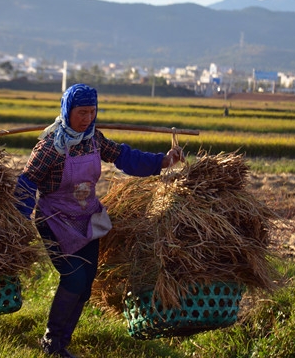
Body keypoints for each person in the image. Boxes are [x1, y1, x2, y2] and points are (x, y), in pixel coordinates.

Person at [15, 83, 183, 357]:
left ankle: (61, 344)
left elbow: (125, 157)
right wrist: (18, 220)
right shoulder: (50, 147)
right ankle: (51, 341)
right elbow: (27, 182)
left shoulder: (94, 139)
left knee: (84, 285)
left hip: (87, 218)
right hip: (55, 221)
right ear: (67, 111)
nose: (87, 118)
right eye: (81, 112)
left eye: (92, 112)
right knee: (73, 280)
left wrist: (162, 162)